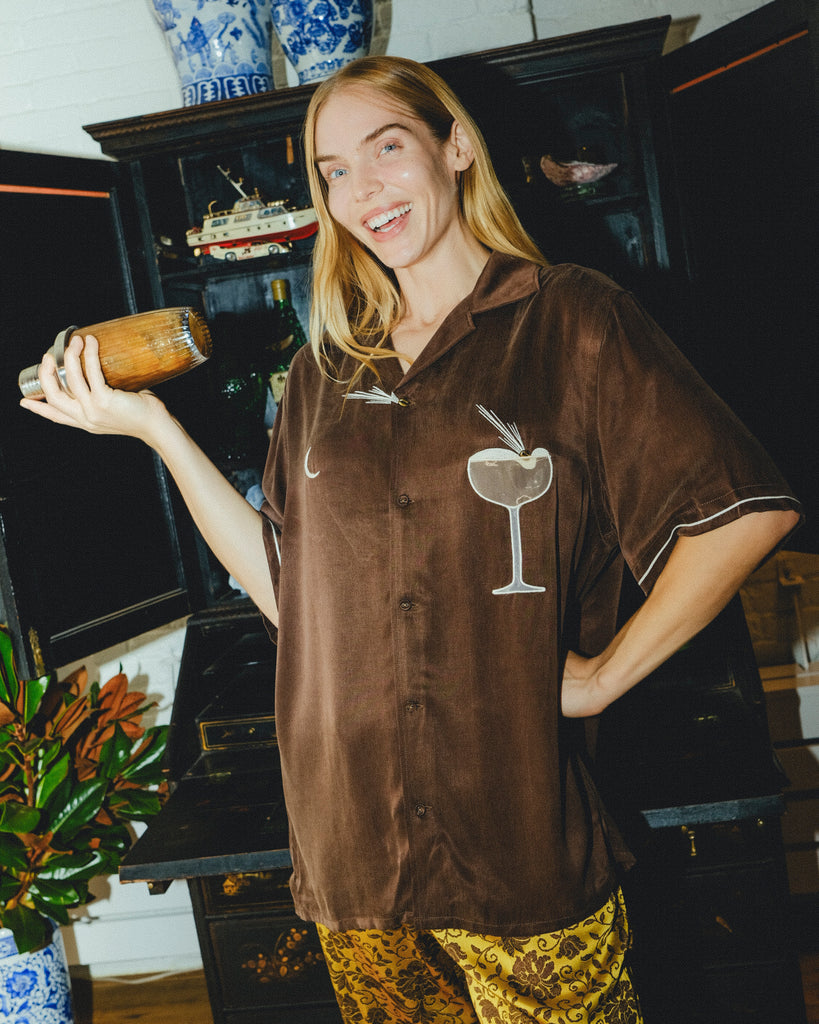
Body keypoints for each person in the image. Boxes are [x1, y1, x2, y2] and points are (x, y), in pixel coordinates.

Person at [21, 56, 800, 1024]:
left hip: (520, 841)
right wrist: (156, 431)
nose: (362, 188)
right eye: (334, 170)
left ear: (457, 147)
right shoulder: (324, 373)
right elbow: (287, 592)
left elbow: (746, 507)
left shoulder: (573, 318)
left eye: (387, 148)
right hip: (354, 848)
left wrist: (600, 675)